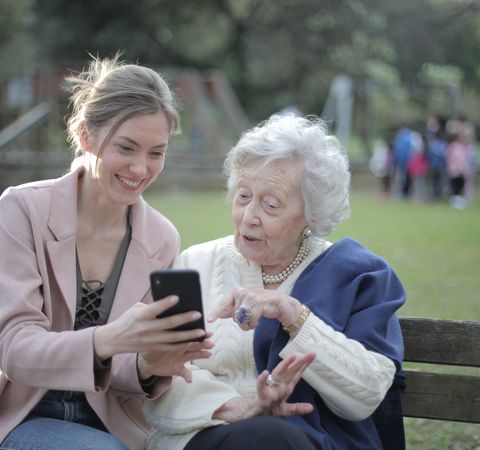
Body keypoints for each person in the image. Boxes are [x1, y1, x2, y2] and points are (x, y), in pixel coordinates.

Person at [144, 115, 406, 450]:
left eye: (270, 205)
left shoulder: (357, 276)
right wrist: (236, 407)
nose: (248, 216)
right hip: (201, 436)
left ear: (311, 214)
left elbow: (367, 394)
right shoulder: (195, 264)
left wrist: (294, 315)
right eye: (243, 196)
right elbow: (160, 373)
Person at [0, 55, 213, 450]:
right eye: (126, 147)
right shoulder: (20, 209)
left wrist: (149, 365)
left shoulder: (162, 237)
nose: (140, 168)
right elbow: (14, 351)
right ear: (86, 136)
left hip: (115, 426)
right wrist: (107, 339)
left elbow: (125, 370)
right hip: (21, 416)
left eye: (156, 152)